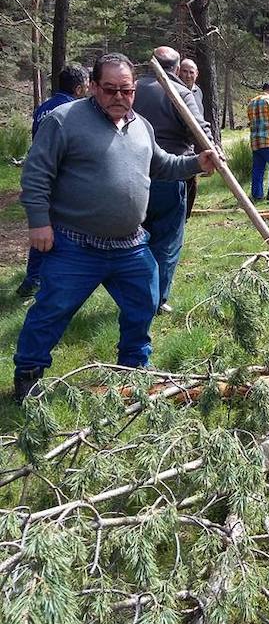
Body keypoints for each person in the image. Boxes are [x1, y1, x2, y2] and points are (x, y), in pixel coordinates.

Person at [12, 52, 217, 404]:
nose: (119, 97)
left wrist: (196, 163)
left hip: (130, 245)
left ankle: (133, 370)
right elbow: (36, 175)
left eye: (126, 90)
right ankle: (28, 374)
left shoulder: (141, 126)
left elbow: (162, 164)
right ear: (93, 87)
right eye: (110, 90)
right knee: (52, 309)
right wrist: (39, 223)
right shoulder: (64, 121)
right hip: (76, 244)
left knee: (145, 302)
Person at [133, 46, 214, 314]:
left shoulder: (132, 89)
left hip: (134, 173)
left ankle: (136, 293)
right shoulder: (180, 93)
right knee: (167, 240)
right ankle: (157, 299)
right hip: (171, 172)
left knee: (136, 236)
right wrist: (211, 153)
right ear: (177, 69)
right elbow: (199, 128)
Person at [16, 63, 91, 298]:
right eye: (87, 85)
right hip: (63, 177)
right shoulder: (74, 110)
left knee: (44, 226)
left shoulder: (43, 108)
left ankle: (32, 279)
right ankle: (54, 280)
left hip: (42, 174)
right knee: (62, 230)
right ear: (79, 89)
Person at [177, 57, 204, 218]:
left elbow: (201, 119)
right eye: (184, 71)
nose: (187, 75)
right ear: (178, 72)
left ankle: (184, 217)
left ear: (197, 74)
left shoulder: (198, 91)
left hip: (193, 148)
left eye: (191, 72)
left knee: (191, 185)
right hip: (178, 147)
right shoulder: (173, 90)